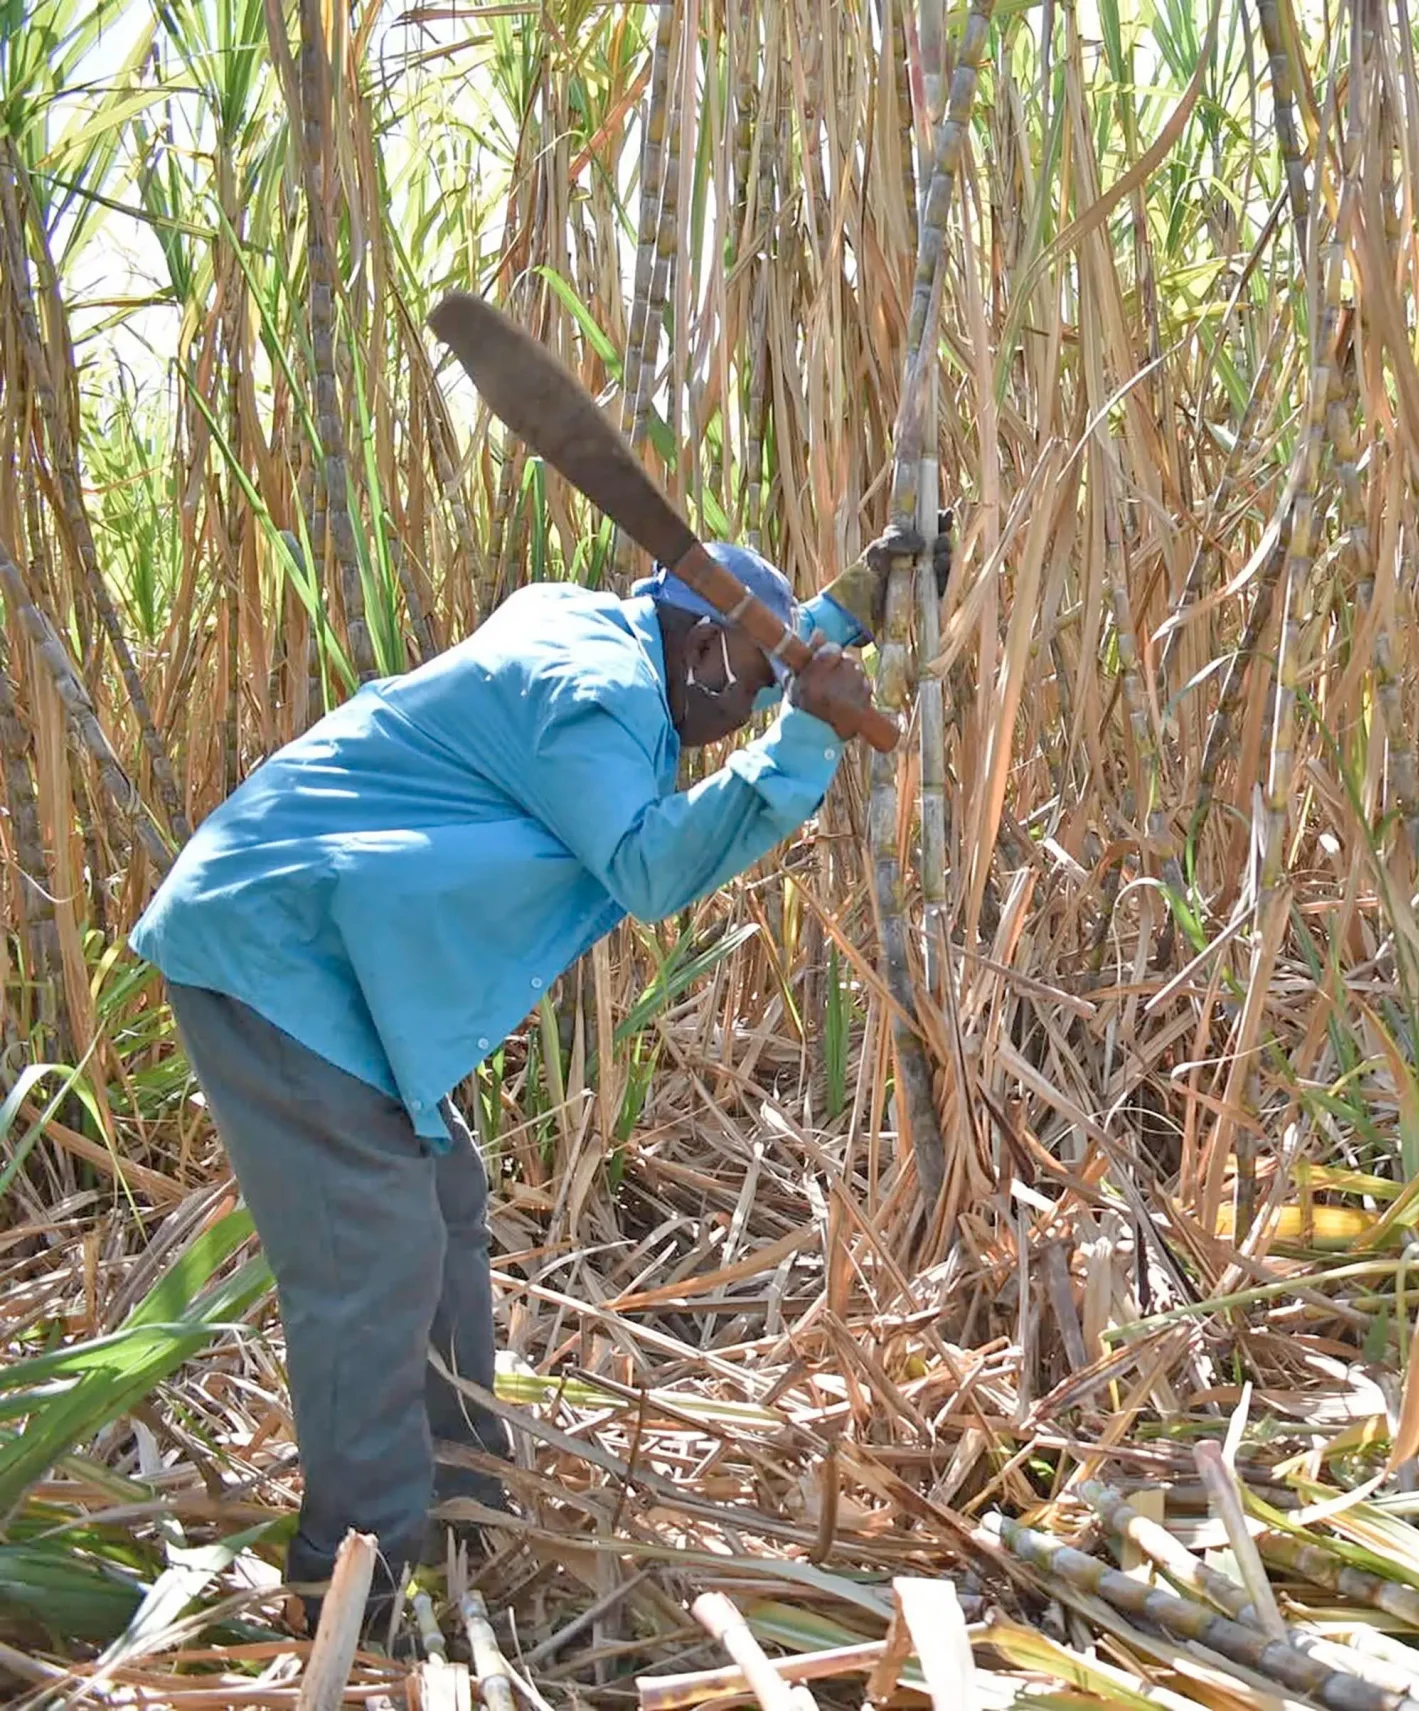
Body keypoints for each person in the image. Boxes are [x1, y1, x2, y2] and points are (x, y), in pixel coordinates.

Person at [127, 523, 943, 1643]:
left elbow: (753, 655)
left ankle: (464, 1507)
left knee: (443, 1205)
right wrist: (799, 740)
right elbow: (650, 866)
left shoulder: (620, 640)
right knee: (373, 1256)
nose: (733, 727)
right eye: (744, 694)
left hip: (338, 961)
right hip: (280, 950)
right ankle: (344, 1594)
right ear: (701, 650)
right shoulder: (594, 690)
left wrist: (846, 611)